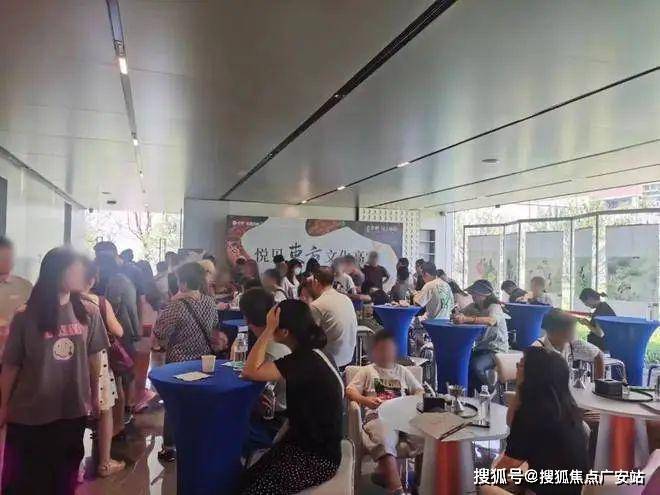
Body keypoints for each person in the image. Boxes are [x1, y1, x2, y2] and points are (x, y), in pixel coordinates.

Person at [0, 247, 108, 494]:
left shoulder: (88, 312)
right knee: (24, 480)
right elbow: (11, 365)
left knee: (64, 477)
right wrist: (3, 406)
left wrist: (95, 395)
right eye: (75, 269)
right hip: (30, 413)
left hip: (72, 409)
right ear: (56, 272)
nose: (81, 274)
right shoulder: (26, 316)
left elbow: (94, 358)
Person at [240, 301, 344, 494]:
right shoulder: (317, 353)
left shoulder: (302, 361)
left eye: (273, 324)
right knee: (246, 479)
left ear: (285, 332)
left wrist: (266, 331)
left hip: (316, 458)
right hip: (311, 446)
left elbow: (249, 371)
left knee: (251, 489)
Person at [496, 347, 589, 495]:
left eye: (520, 365)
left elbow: (504, 468)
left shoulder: (532, 415)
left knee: (484, 485)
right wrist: (521, 387)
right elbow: (510, 422)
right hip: (574, 490)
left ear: (532, 374)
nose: (517, 369)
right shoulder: (569, 411)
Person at [152, 262, 219, 461]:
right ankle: (196, 442)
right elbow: (214, 327)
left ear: (184, 283)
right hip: (204, 362)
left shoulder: (176, 305)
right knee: (199, 403)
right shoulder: (210, 302)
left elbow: (160, 333)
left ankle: (170, 447)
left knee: (174, 405)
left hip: (178, 364)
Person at [346, 331, 423, 495]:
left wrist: (410, 402)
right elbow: (350, 391)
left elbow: (419, 390)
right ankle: (397, 490)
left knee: (426, 435)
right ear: (374, 352)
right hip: (379, 417)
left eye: (389, 349)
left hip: (403, 418)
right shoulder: (367, 371)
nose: (386, 353)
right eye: (381, 349)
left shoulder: (402, 371)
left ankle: (419, 484)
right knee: (385, 439)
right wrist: (366, 400)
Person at [81, 258, 126, 477]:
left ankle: (72, 465)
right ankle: (105, 463)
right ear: (92, 280)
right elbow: (118, 331)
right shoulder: (98, 303)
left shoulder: (57, 301)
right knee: (104, 409)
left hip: (68, 364)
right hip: (97, 359)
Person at [239, 288, 290, 454]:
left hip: (276, 424)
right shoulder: (284, 338)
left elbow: (255, 390)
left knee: (223, 426)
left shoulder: (269, 350)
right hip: (288, 418)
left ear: (246, 318)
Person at [453, 279, 509, 392]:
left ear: (484, 294)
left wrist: (467, 319)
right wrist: (457, 315)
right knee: (462, 362)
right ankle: (468, 395)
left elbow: (491, 320)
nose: (472, 295)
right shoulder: (473, 306)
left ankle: (489, 392)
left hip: (496, 349)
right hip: (481, 348)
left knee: (476, 366)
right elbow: (460, 314)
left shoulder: (494, 307)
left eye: (475, 293)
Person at [531, 308, 605, 379]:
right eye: (570, 329)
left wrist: (599, 383)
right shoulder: (537, 349)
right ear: (556, 331)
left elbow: (598, 354)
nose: (574, 333)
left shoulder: (574, 343)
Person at [309, 267, 358, 368]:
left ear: (316, 282)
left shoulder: (317, 305)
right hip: (349, 358)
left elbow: (308, 337)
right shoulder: (346, 299)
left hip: (331, 363)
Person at [0, 237, 33, 362]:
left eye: (10, 257)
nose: (8, 261)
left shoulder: (25, 286)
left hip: (16, 356)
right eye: (4, 257)